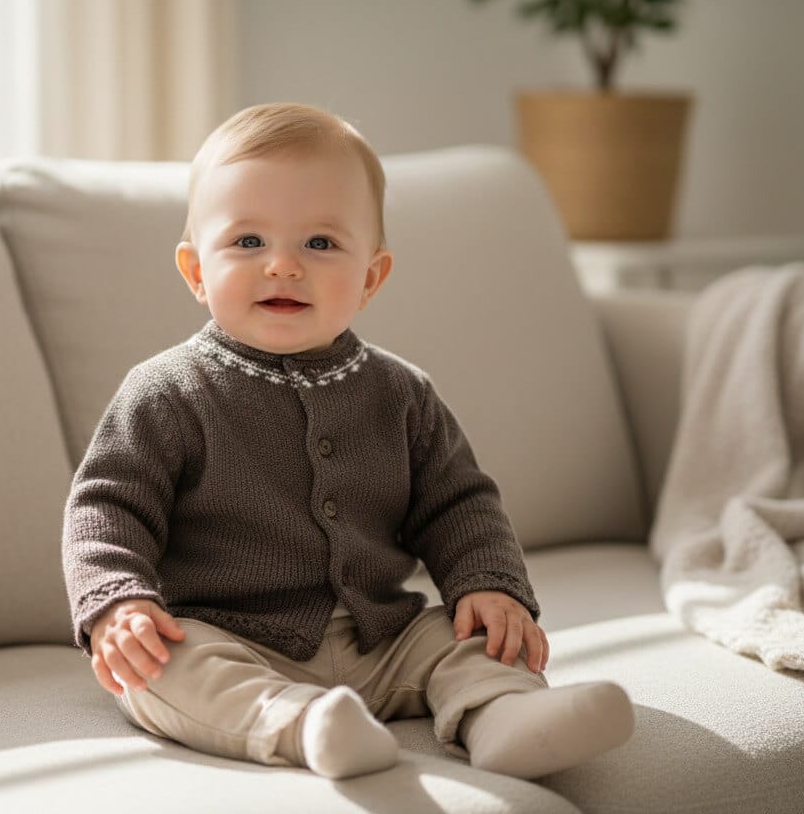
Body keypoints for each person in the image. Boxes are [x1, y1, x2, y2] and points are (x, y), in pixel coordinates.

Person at [62, 102, 635, 780]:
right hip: (230, 635)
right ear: (195, 271)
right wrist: (119, 600)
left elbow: (459, 503)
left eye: (321, 244)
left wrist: (488, 583)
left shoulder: (401, 393)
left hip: (382, 635)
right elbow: (106, 507)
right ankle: (300, 724)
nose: (281, 266)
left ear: (370, 277)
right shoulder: (167, 392)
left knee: (469, 642)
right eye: (248, 242)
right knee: (158, 671)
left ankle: (505, 716)